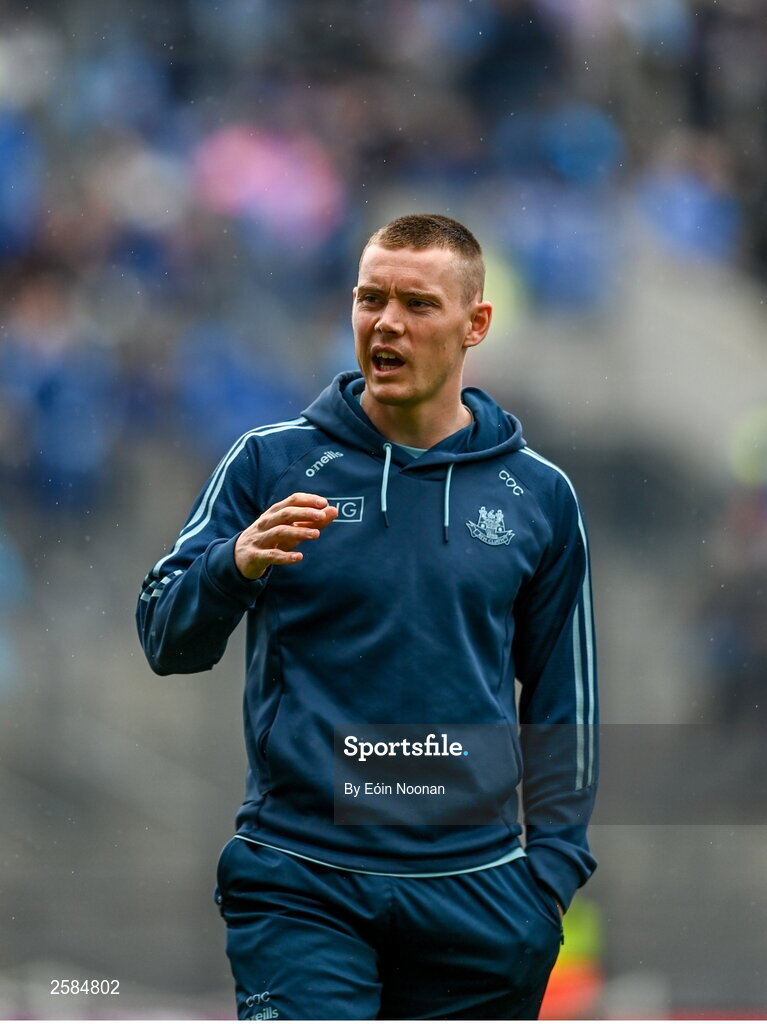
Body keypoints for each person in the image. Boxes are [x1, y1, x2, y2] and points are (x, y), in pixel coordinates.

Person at [136, 213, 598, 1020]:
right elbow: (164, 638)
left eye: (416, 304)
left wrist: (549, 876)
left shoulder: (540, 497)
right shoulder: (268, 462)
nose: (385, 322)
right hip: (302, 879)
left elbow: (566, 703)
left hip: (479, 897)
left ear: (474, 324)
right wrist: (233, 564)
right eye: (369, 298)